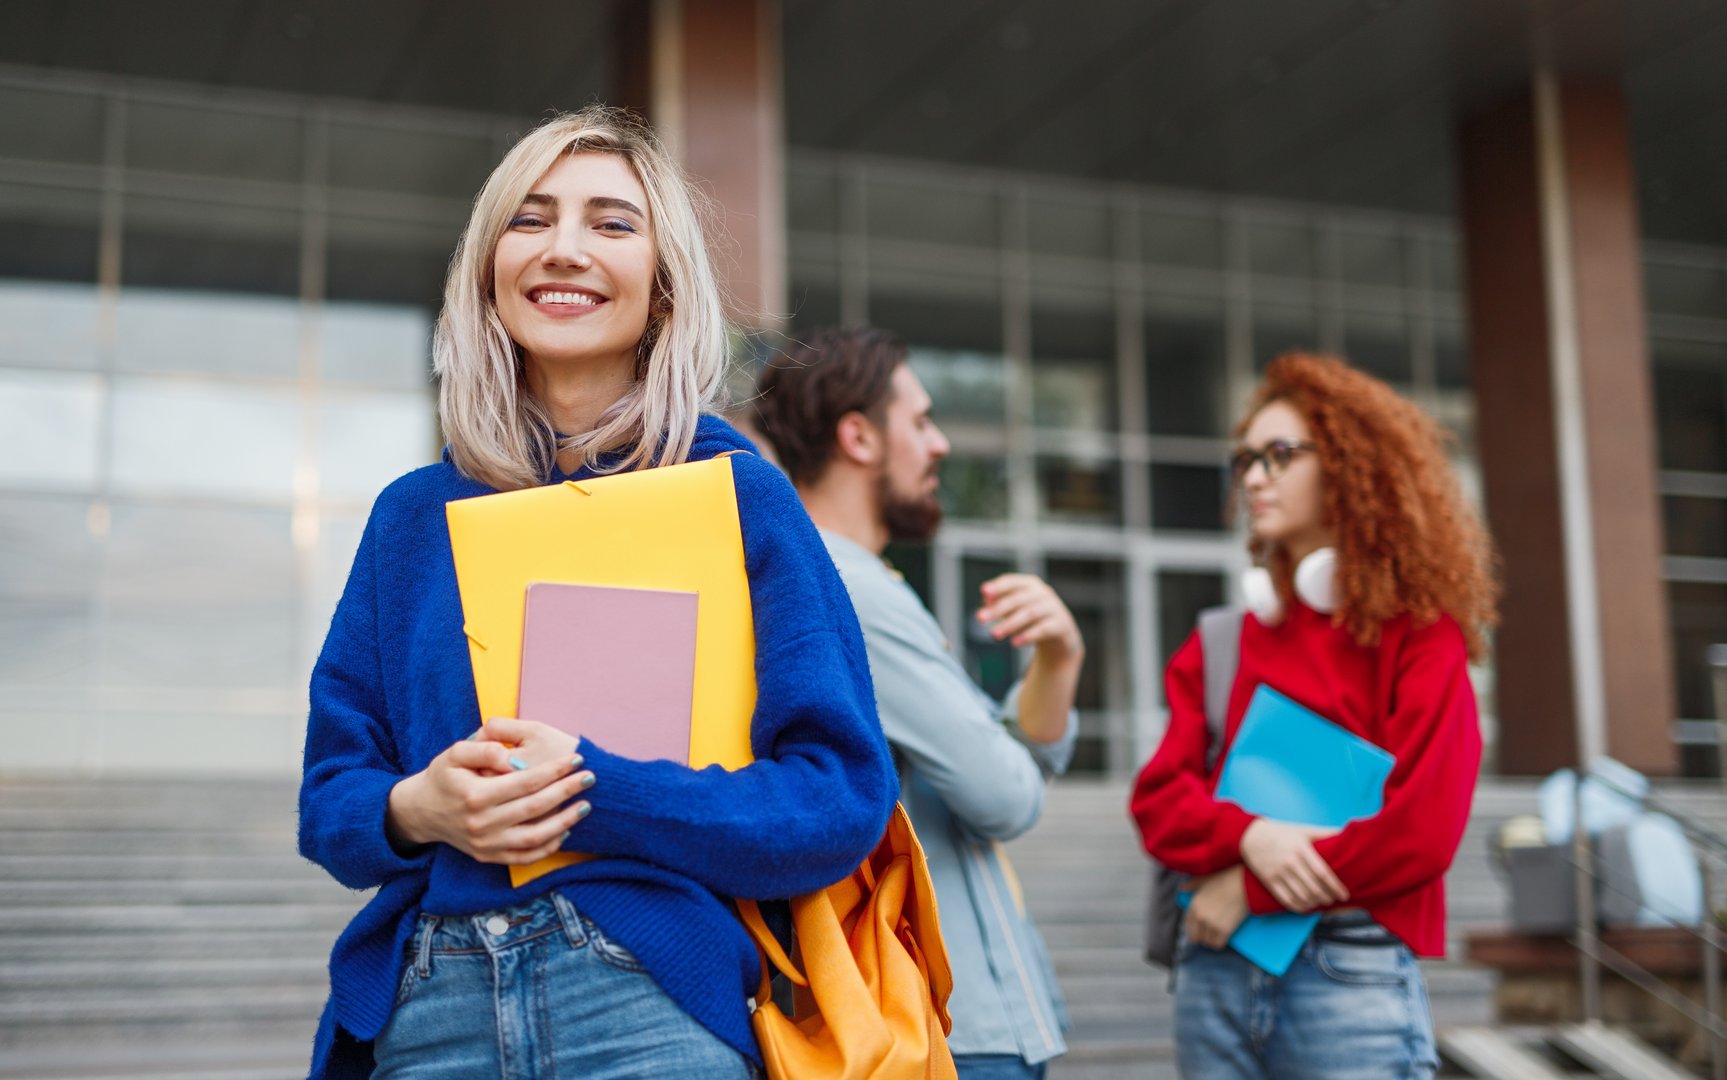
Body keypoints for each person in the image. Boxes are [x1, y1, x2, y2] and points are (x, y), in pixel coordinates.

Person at [298, 108, 897, 1080]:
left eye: (611, 224)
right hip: (430, 1009)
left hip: (646, 996)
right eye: (529, 220)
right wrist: (418, 807)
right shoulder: (412, 517)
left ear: (662, 288)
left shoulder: (735, 495)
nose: (564, 249)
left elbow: (837, 796)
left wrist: (595, 791)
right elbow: (332, 797)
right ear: (489, 268)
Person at [1129, 352, 1498, 1080]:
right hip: (1214, 969)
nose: (1253, 478)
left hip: (1346, 968)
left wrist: (1249, 886)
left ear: (1352, 466)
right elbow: (1157, 801)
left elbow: (1420, 833)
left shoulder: (1421, 637)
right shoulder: (1224, 641)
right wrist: (1252, 835)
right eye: (1245, 460)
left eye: (1279, 455)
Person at [752, 326, 1080, 1080]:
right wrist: (1039, 693)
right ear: (859, 437)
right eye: (923, 421)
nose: (940, 445)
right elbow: (1003, 794)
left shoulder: (825, 577)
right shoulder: (852, 588)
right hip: (950, 1024)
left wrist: (1060, 656)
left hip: (940, 1016)